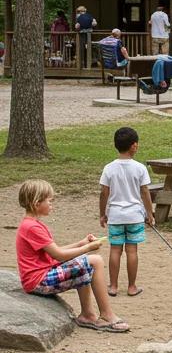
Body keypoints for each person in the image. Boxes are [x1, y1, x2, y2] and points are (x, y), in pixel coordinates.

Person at [16, 179, 128, 332]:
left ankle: (87, 315)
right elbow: (60, 255)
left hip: (41, 275)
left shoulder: (32, 224)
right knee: (95, 260)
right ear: (36, 203)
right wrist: (88, 248)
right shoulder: (32, 227)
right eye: (49, 201)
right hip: (38, 281)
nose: (51, 204)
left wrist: (81, 244)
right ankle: (107, 315)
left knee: (82, 264)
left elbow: (55, 253)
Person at [99, 126, 154, 297]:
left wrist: (102, 213)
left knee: (115, 250)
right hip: (134, 216)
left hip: (115, 215)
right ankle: (131, 286)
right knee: (132, 251)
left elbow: (104, 193)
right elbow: (145, 192)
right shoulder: (140, 168)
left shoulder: (109, 168)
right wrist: (150, 214)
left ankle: (113, 286)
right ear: (134, 146)